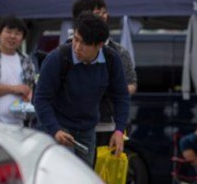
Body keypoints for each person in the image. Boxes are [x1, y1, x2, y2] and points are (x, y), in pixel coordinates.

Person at [34, 12, 130, 167]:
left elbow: (121, 96)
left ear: (99, 45)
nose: (77, 47)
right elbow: (40, 99)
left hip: (87, 130)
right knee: (64, 178)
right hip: (58, 126)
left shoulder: (111, 59)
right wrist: (55, 130)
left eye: (84, 44)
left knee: (84, 180)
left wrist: (119, 130)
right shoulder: (57, 58)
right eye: (76, 40)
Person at [70, 0, 138, 146]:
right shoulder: (68, 51)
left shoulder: (118, 51)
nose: (102, 17)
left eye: (104, 13)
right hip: (77, 126)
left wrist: (111, 90)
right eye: (97, 14)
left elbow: (132, 83)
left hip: (111, 125)